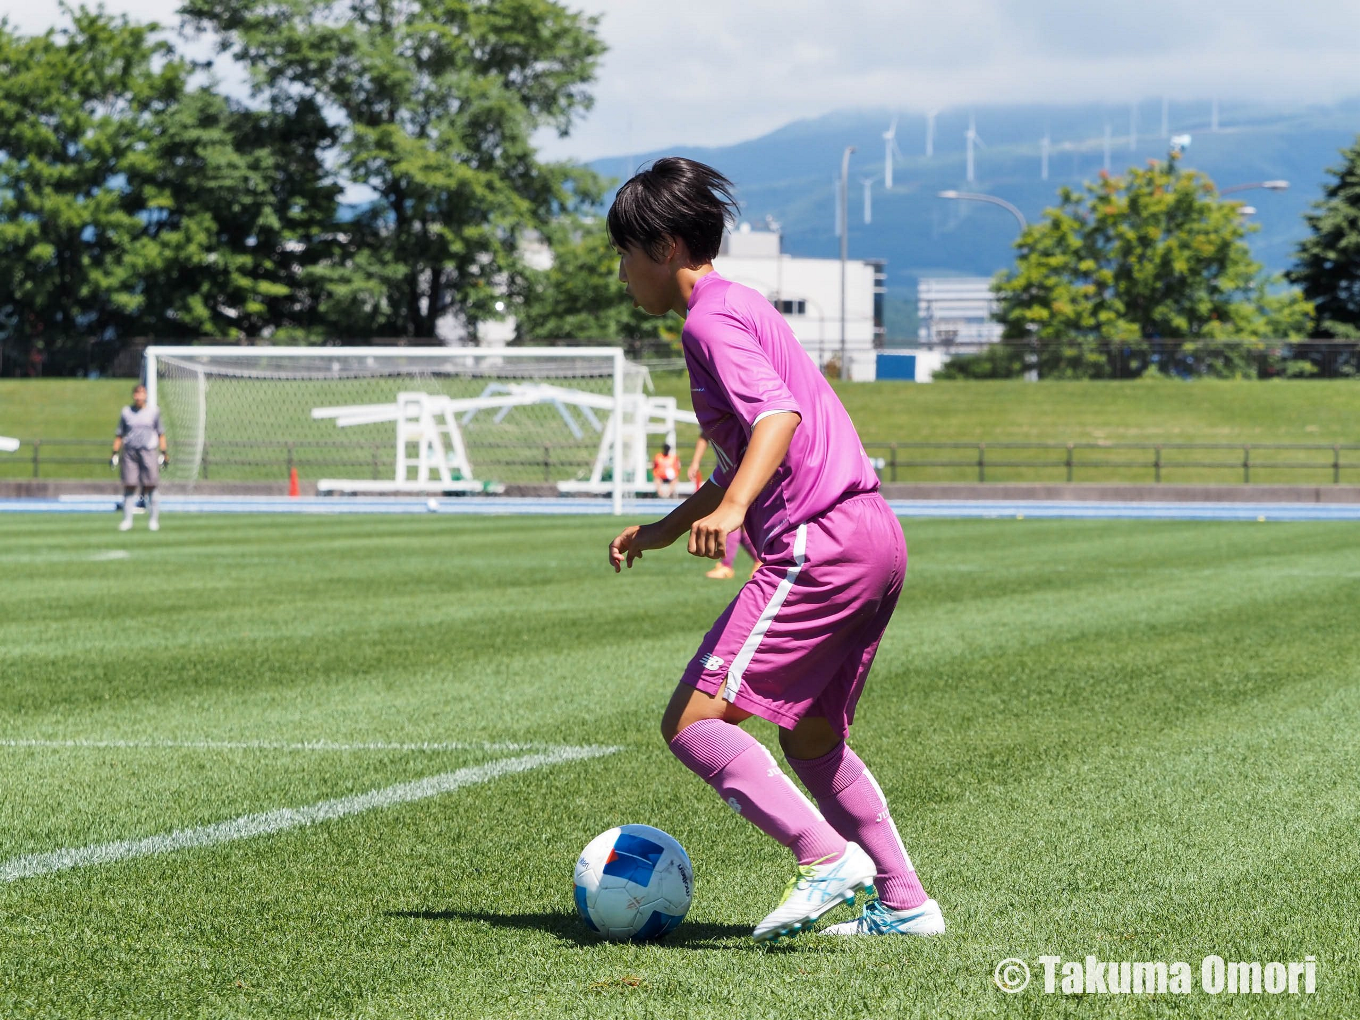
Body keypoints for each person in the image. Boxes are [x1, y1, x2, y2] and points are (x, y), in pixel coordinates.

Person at [606, 158, 943, 942]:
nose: (621, 273)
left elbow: (778, 419)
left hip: (817, 542)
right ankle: (903, 901)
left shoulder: (708, 320)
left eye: (626, 253)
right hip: (873, 536)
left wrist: (731, 508)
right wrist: (662, 528)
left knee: (692, 721)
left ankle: (826, 861)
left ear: (665, 246)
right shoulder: (744, 308)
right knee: (813, 738)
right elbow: (745, 449)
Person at [111, 383, 167, 532]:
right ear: (133, 395)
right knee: (129, 485)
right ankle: (127, 520)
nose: (139, 396)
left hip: (148, 451)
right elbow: (119, 434)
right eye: (136, 393)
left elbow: (161, 433)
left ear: (146, 395)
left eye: (142, 393)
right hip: (130, 452)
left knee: (151, 485)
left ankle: (153, 520)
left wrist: (164, 452)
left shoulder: (154, 412)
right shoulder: (126, 412)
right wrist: (114, 452)